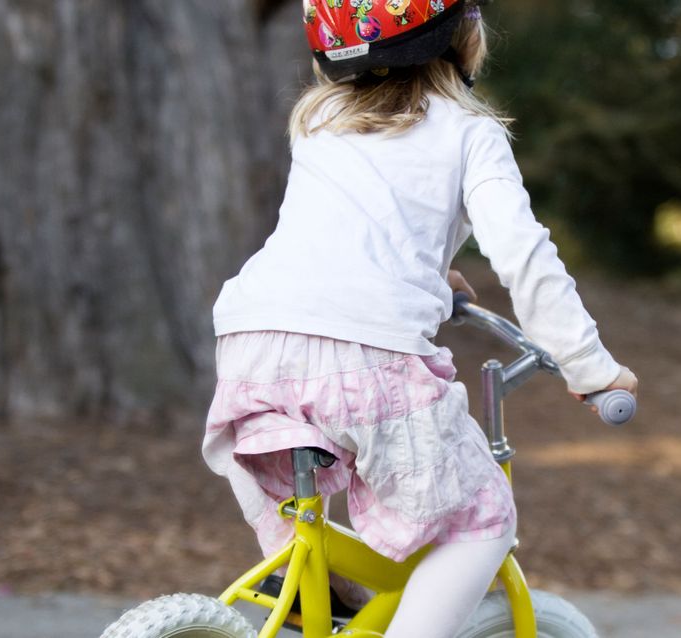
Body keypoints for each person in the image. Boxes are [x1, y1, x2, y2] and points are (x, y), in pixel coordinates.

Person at [203, 1, 638, 637]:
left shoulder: (320, 120)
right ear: (462, 34)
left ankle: (296, 574)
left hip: (250, 342)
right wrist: (590, 368)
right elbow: (523, 253)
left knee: (283, 498)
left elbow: (349, 235)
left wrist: (432, 275)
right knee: (481, 522)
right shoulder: (469, 131)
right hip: (367, 358)